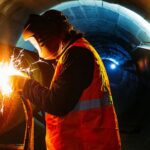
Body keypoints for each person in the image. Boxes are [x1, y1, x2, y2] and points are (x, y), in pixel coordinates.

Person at [12, 10, 121, 150]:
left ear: (54, 36)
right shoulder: (75, 52)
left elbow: (57, 103)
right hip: (85, 141)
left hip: (87, 143)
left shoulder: (77, 55)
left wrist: (24, 84)